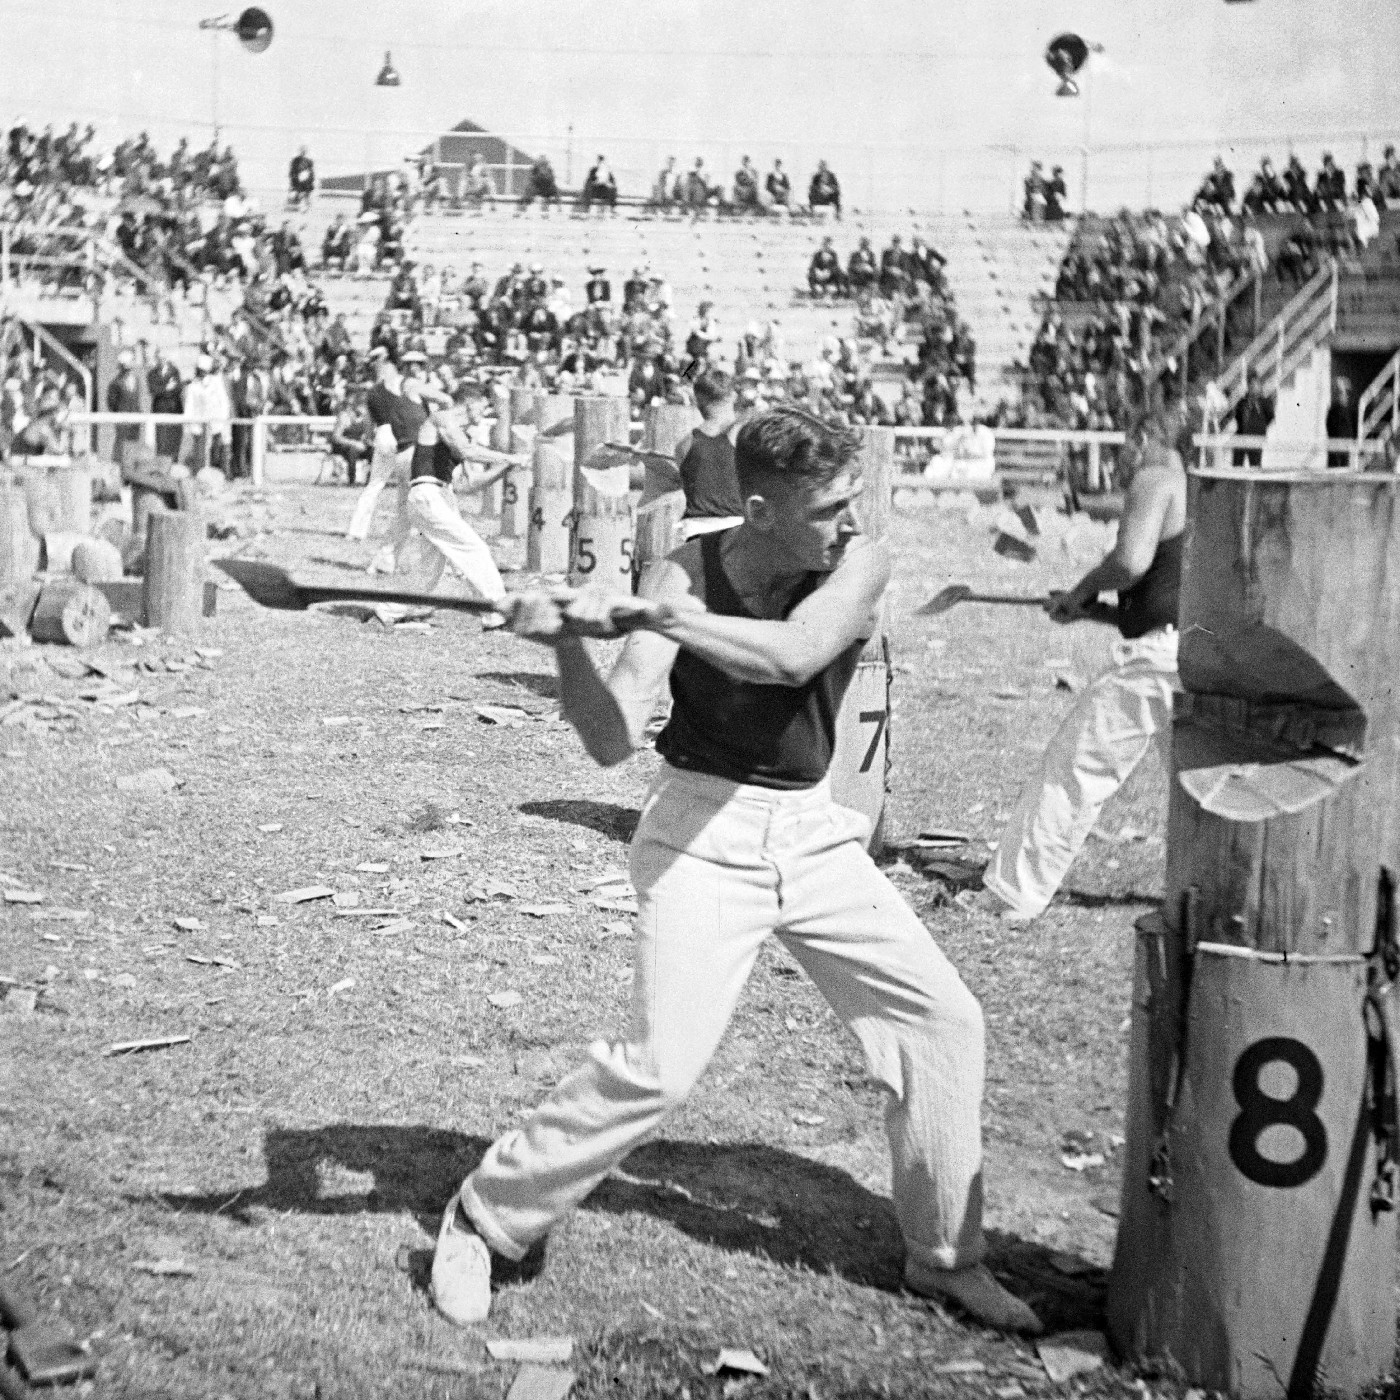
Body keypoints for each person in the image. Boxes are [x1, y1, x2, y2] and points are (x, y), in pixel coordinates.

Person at [429, 407, 1042, 1335]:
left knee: (942, 1023)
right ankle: (487, 1217)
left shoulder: (857, 562)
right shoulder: (685, 568)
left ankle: (946, 1259)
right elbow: (609, 740)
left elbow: (793, 655)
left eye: (849, 500)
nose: (848, 519)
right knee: (659, 1069)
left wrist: (669, 618)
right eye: (828, 506)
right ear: (757, 510)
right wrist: (564, 641)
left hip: (813, 830)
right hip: (699, 834)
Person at [973, 411, 1186, 924]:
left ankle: (1012, 894)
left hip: (1155, 661)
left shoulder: (1154, 477)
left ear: (1141, 438)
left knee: (1075, 769)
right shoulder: (1190, 486)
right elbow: (1152, 601)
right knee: (1195, 784)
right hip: (1180, 650)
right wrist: (1090, 609)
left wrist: (1081, 589)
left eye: (1122, 448)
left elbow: (1130, 563)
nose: (1120, 460)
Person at [392, 404, 524, 626]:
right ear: (470, 403)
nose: (483, 416)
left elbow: (469, 484)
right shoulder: (441, 419)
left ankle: (387, 611)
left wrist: (507, 466)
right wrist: (510, 458)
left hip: (442, 495)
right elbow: (467, 452)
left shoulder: (459, 435)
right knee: (474, 549)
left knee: (430, 568)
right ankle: (496, 613)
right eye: (483, 407)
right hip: (428, 494)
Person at [146, 345, 184, 461]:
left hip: (174, 411)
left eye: (163, 358)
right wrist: (167, 388)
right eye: (159, 358)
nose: (161, 360)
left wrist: (164, 390)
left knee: (173, 442)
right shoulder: (152, 374)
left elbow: (178, 388)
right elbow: (153, 390)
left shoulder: (174, 371)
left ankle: (174, 466)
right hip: (160, 411)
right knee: (161, 442)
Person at [1232, 368, 1274, 467]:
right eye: (1250, 385)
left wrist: (1260, 427)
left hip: (1256, 437)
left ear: (1259, 386)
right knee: (1237, 466)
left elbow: (1270, 417)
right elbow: (1237, 417)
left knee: (1255, 466)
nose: (1253, 387)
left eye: (1255, 385)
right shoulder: (1242, 402)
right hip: (1241, 437)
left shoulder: (1264, 402)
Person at [106, 347, 143, 459]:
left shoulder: (135, 380)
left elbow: (136, 398)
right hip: (122, 417)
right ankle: (118, 464)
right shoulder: (115, 383)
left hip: (135, 417)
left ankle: (131, 466)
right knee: (121, 442)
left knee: (134, 442)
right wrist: (120, 413)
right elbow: (111, 403)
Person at [1326, 378, 1356, 468]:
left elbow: (1353, 426)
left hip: (1346, 441)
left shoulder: (1350, 410)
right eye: (1341, 393)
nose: (1344, 396)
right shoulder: (1333, 409)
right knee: (1334, 463)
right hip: (1336, 441)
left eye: (1346, 393)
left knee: (1345, 464)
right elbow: (1329, 426)